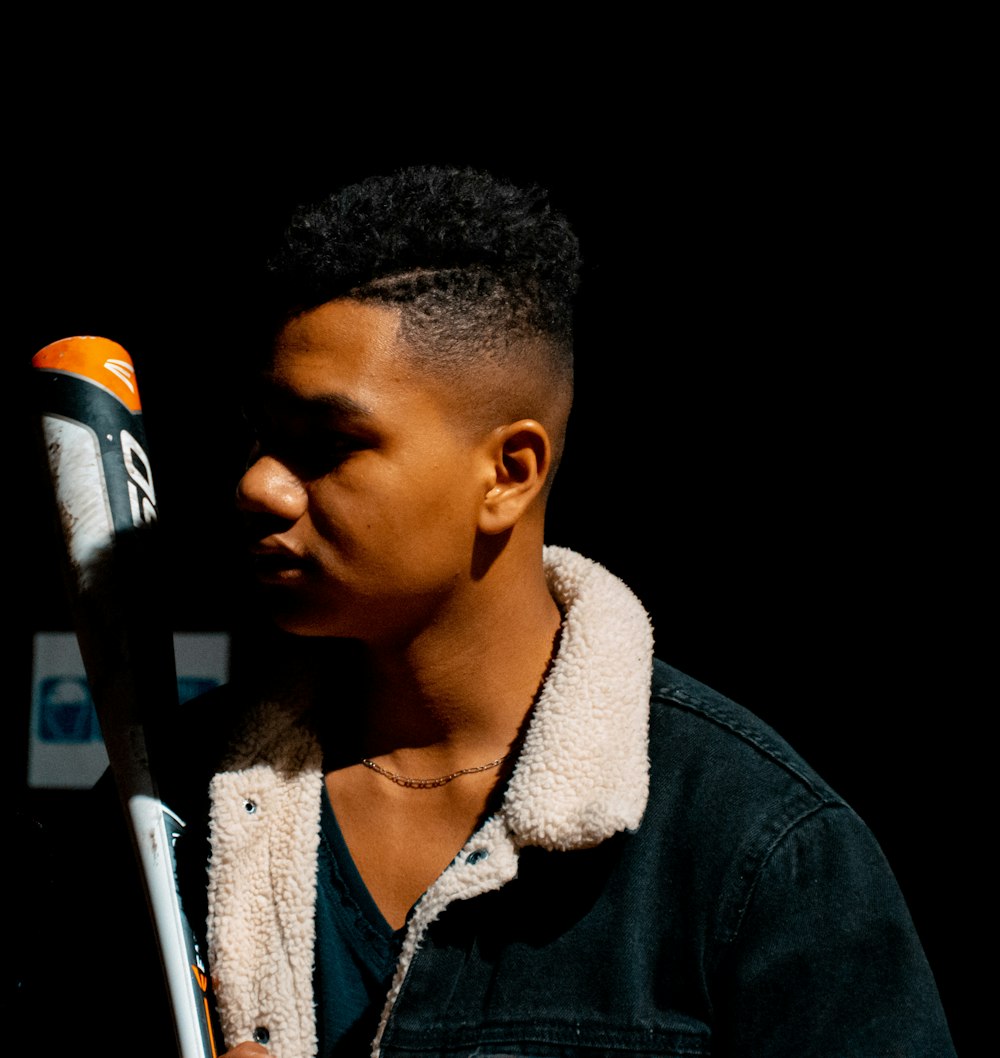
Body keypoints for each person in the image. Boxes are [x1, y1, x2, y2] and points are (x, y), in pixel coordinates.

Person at [112, 166, 957, 1056]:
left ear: (508, 474)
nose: (258, 486)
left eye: (327, 446)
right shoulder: (164, 804)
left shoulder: (755, 844)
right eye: (260, 438)